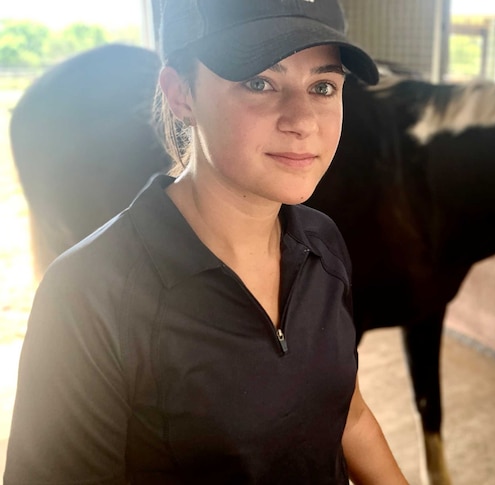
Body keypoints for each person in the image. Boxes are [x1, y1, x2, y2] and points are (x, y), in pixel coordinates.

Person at [4, 0, 408, 483]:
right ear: (181, 94)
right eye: (259, 82)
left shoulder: (323, 244)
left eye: (322, 86)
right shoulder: (90, 295)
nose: (304, 121)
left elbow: (350, 413)